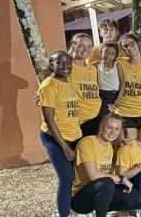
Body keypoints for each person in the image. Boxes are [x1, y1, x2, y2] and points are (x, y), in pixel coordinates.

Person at [70, 114, 141, 217]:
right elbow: (94, 176)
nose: (113, 132)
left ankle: (101, 208)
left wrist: (122, 145)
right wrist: (122, 179)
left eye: (117, 129)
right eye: (109, 128)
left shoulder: (110, 146)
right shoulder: (87, 143)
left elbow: (110, 171)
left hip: (102, 192)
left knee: (136, 199)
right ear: (101, 126)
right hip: (81, 199)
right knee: (108, 182)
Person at [37, 51, 82, 217]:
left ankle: (82, 210)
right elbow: (49, 121)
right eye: (60, 63)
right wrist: (64, 147)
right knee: (66, 178)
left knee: (78, 177)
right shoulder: (48, 86)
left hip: (74, 135)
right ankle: (63, 214)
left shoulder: (69, 80)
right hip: (55, 138)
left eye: (67, 62)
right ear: (51, 64)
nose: (65, 66)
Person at [68, 33, 103, 136]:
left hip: (97, 116)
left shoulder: (93, 69)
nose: (85, 49)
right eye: (81, 45)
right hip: (79, 122)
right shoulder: (66, 68)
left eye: (89, 46)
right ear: (73, 45)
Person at [96, 42, 125, 117]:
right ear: (101, 52)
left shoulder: (117, 65)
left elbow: (123, 83)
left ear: (115, 56)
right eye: (106, 52)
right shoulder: (97, 66)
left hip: (113, 95)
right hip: (100, 94)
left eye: (112, 54)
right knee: (100, 116)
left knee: (106, 116)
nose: (108, 55)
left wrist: (118, 99)